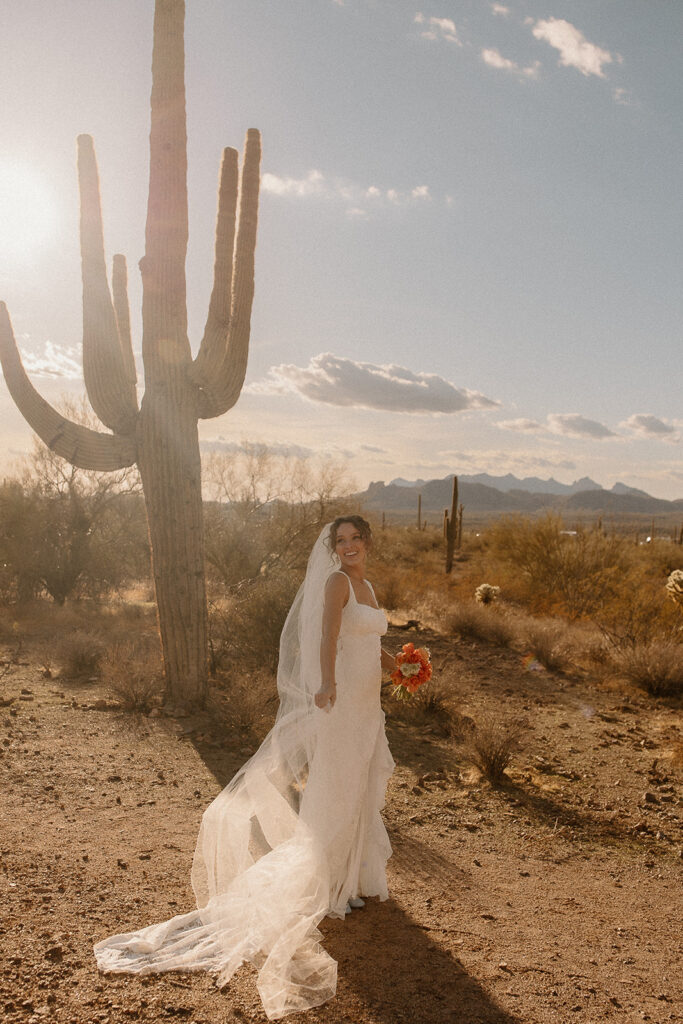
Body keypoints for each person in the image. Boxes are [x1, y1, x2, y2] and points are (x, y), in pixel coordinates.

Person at [94, 515, 397, 1020]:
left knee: (360, 787)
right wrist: (326, 685)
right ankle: (325, 882)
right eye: (339, 541)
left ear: (367, 542)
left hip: (369, 704)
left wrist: (401, 664)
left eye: (354, 539)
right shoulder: (337, 582)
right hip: (342, 702)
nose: (347, 547)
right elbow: (326, 638)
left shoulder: (366, 584)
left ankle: (348, 879)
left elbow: (367, 642)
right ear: (335, 549)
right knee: (337, 787)